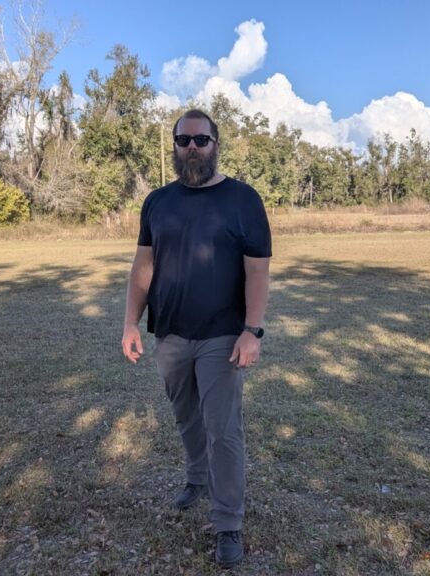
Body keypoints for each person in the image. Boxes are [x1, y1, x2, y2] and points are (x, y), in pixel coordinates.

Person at [121, 109, 272, 568]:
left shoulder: (243, 200)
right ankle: (196, 478)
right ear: (174, 145)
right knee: (186, 417)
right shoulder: (157, 202)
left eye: (200, 140)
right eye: (183, 140)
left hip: (223, 335)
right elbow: (143, 266)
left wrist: (252, 330)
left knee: (223, 430)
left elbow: (257, 271)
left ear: (215, 143)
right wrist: (130, 322)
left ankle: (228, 523)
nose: (191, 148)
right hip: (170, 332)